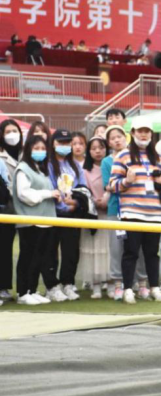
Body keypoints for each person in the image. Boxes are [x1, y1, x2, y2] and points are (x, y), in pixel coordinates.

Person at [108, 118, 161, 304]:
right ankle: (128, 289)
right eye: (140, 131)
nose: (143, 135)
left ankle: (154, 287)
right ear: (133, 133)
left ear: (151, 134)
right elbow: (112, 185)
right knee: (131, 252)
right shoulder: (123, 156)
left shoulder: (158, 158)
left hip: (155, 213)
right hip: (131, 212)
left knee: (152, 253)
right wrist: (127, 181)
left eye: (147, 131)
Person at [12, 135, 60, 305]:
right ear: (28, 150)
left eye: (43, 148)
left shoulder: (40, 170)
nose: (40, 151)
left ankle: (31, 290)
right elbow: (24, 194)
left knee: (38, 258)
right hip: (30, 221)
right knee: (27, 257)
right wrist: (48, 194)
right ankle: (22, 292)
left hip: (45, 220)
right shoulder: (23, 169)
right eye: (36, 148)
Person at [44, 129, 87, 302]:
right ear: (53, 144)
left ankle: (68, 283)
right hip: (53, 213)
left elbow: (83, 189)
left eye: (67, 142)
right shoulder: (48, 164)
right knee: (50, 251)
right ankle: (51, 286)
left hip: (72, 214)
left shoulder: (75, 165)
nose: (64, 145)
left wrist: (75, 202)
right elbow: (49, 186)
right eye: (60, 142)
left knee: (71, 251)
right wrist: (62, 204)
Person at [79, 137, 110, 298]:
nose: (98, 151)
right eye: (94, 148)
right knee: (95, 251)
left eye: (101, 147)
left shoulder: (112, 166)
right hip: (93, 215)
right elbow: (83, 191)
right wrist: (94, 202)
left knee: (110, 250)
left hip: (110, 213)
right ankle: (96, 285)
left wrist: (107, 201)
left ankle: (111, 283)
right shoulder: (84, 171)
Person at [1, 120, 24, 303]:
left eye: (14, 130)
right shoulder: (1, 156)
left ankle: (6, 287)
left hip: (23, 210)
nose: (11, 135)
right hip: (6, 208)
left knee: (9, 249)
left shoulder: (25, 154)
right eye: (7, 131)